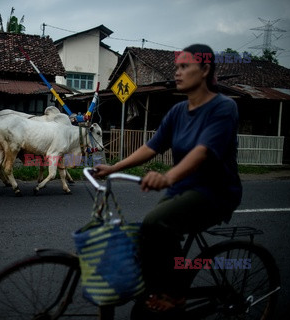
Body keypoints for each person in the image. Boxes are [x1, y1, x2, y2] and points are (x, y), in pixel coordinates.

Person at [94, 44, 242, 314]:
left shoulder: (223, 108)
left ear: (205, 69)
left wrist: (168, 176)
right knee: (141, 239)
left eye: (185, 67)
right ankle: (155, 289)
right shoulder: (177, 112)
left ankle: (174, 294)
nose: (177, 72)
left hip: (216, 192)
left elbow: (203, 151)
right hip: (184, 189)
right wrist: (114, 167)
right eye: (176, 67)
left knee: (156, 222)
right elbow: (152, 147)